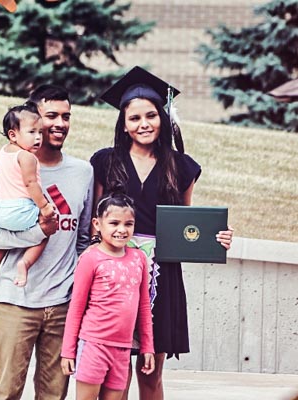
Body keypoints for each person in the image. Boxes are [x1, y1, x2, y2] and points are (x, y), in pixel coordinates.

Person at [90, 66, 234, 400]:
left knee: (150, 373)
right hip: (114, 274)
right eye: (134, 118)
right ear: (123, 124)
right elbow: (94, 222)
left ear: (162, 118)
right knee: (115, 373)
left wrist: (217, 237)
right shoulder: (105, 161)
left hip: (162, 275)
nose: (144, 124)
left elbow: (185, 225)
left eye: (151, 115)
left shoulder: (181, 166)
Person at [0, 84, 94, 400]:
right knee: (6, 393)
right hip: (15, 301)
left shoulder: (83, 172)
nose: (59, 123)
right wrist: (40, 232)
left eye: (66, 116)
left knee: (54, 395)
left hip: (62, 305)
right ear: (32, 121)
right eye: (51, 116)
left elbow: (82, 240)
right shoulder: (8, 169)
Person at [61, 193, 155, 400]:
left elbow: (143, 308)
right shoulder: (90, 258)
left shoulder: (139, 258)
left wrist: (147, 347)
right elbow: (76, 307)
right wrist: (68, 351)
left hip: (122, 349)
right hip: (94, 346)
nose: (122, 230)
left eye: (128, 224)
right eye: (114, 223)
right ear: (97, 223)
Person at [0, 103, 56, 288]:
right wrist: (45, 207)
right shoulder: (27, 157)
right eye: (32, 132)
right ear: (13, 135)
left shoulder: (3, 152)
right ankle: (25, 264)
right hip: (20, 210)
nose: (38, 138)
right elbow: (31, 184)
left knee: (3, 236)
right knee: (44, 234)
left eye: (40, 132)